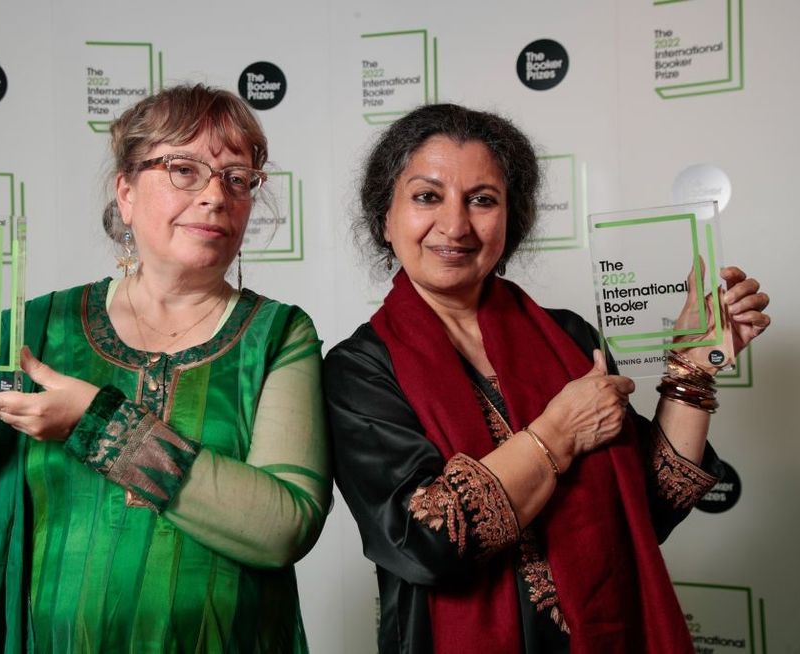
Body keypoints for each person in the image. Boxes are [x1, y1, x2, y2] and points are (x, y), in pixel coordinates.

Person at [0, 84, 330, 652]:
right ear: (126, 192)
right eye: (184, 169)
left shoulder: (276, 335)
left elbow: (283, 527)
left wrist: (98, 423)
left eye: (237, 178)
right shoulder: (34, 333)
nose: (214, 196)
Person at [324, 104, 770, 654]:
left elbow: (647, 508)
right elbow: (426, 544)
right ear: (385, 217)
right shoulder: (360, 369)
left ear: (511, 220)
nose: (456, 225)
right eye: (427, 196)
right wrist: (557, 434)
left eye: (483, 200)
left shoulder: (567, 336)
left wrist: (693, 369)